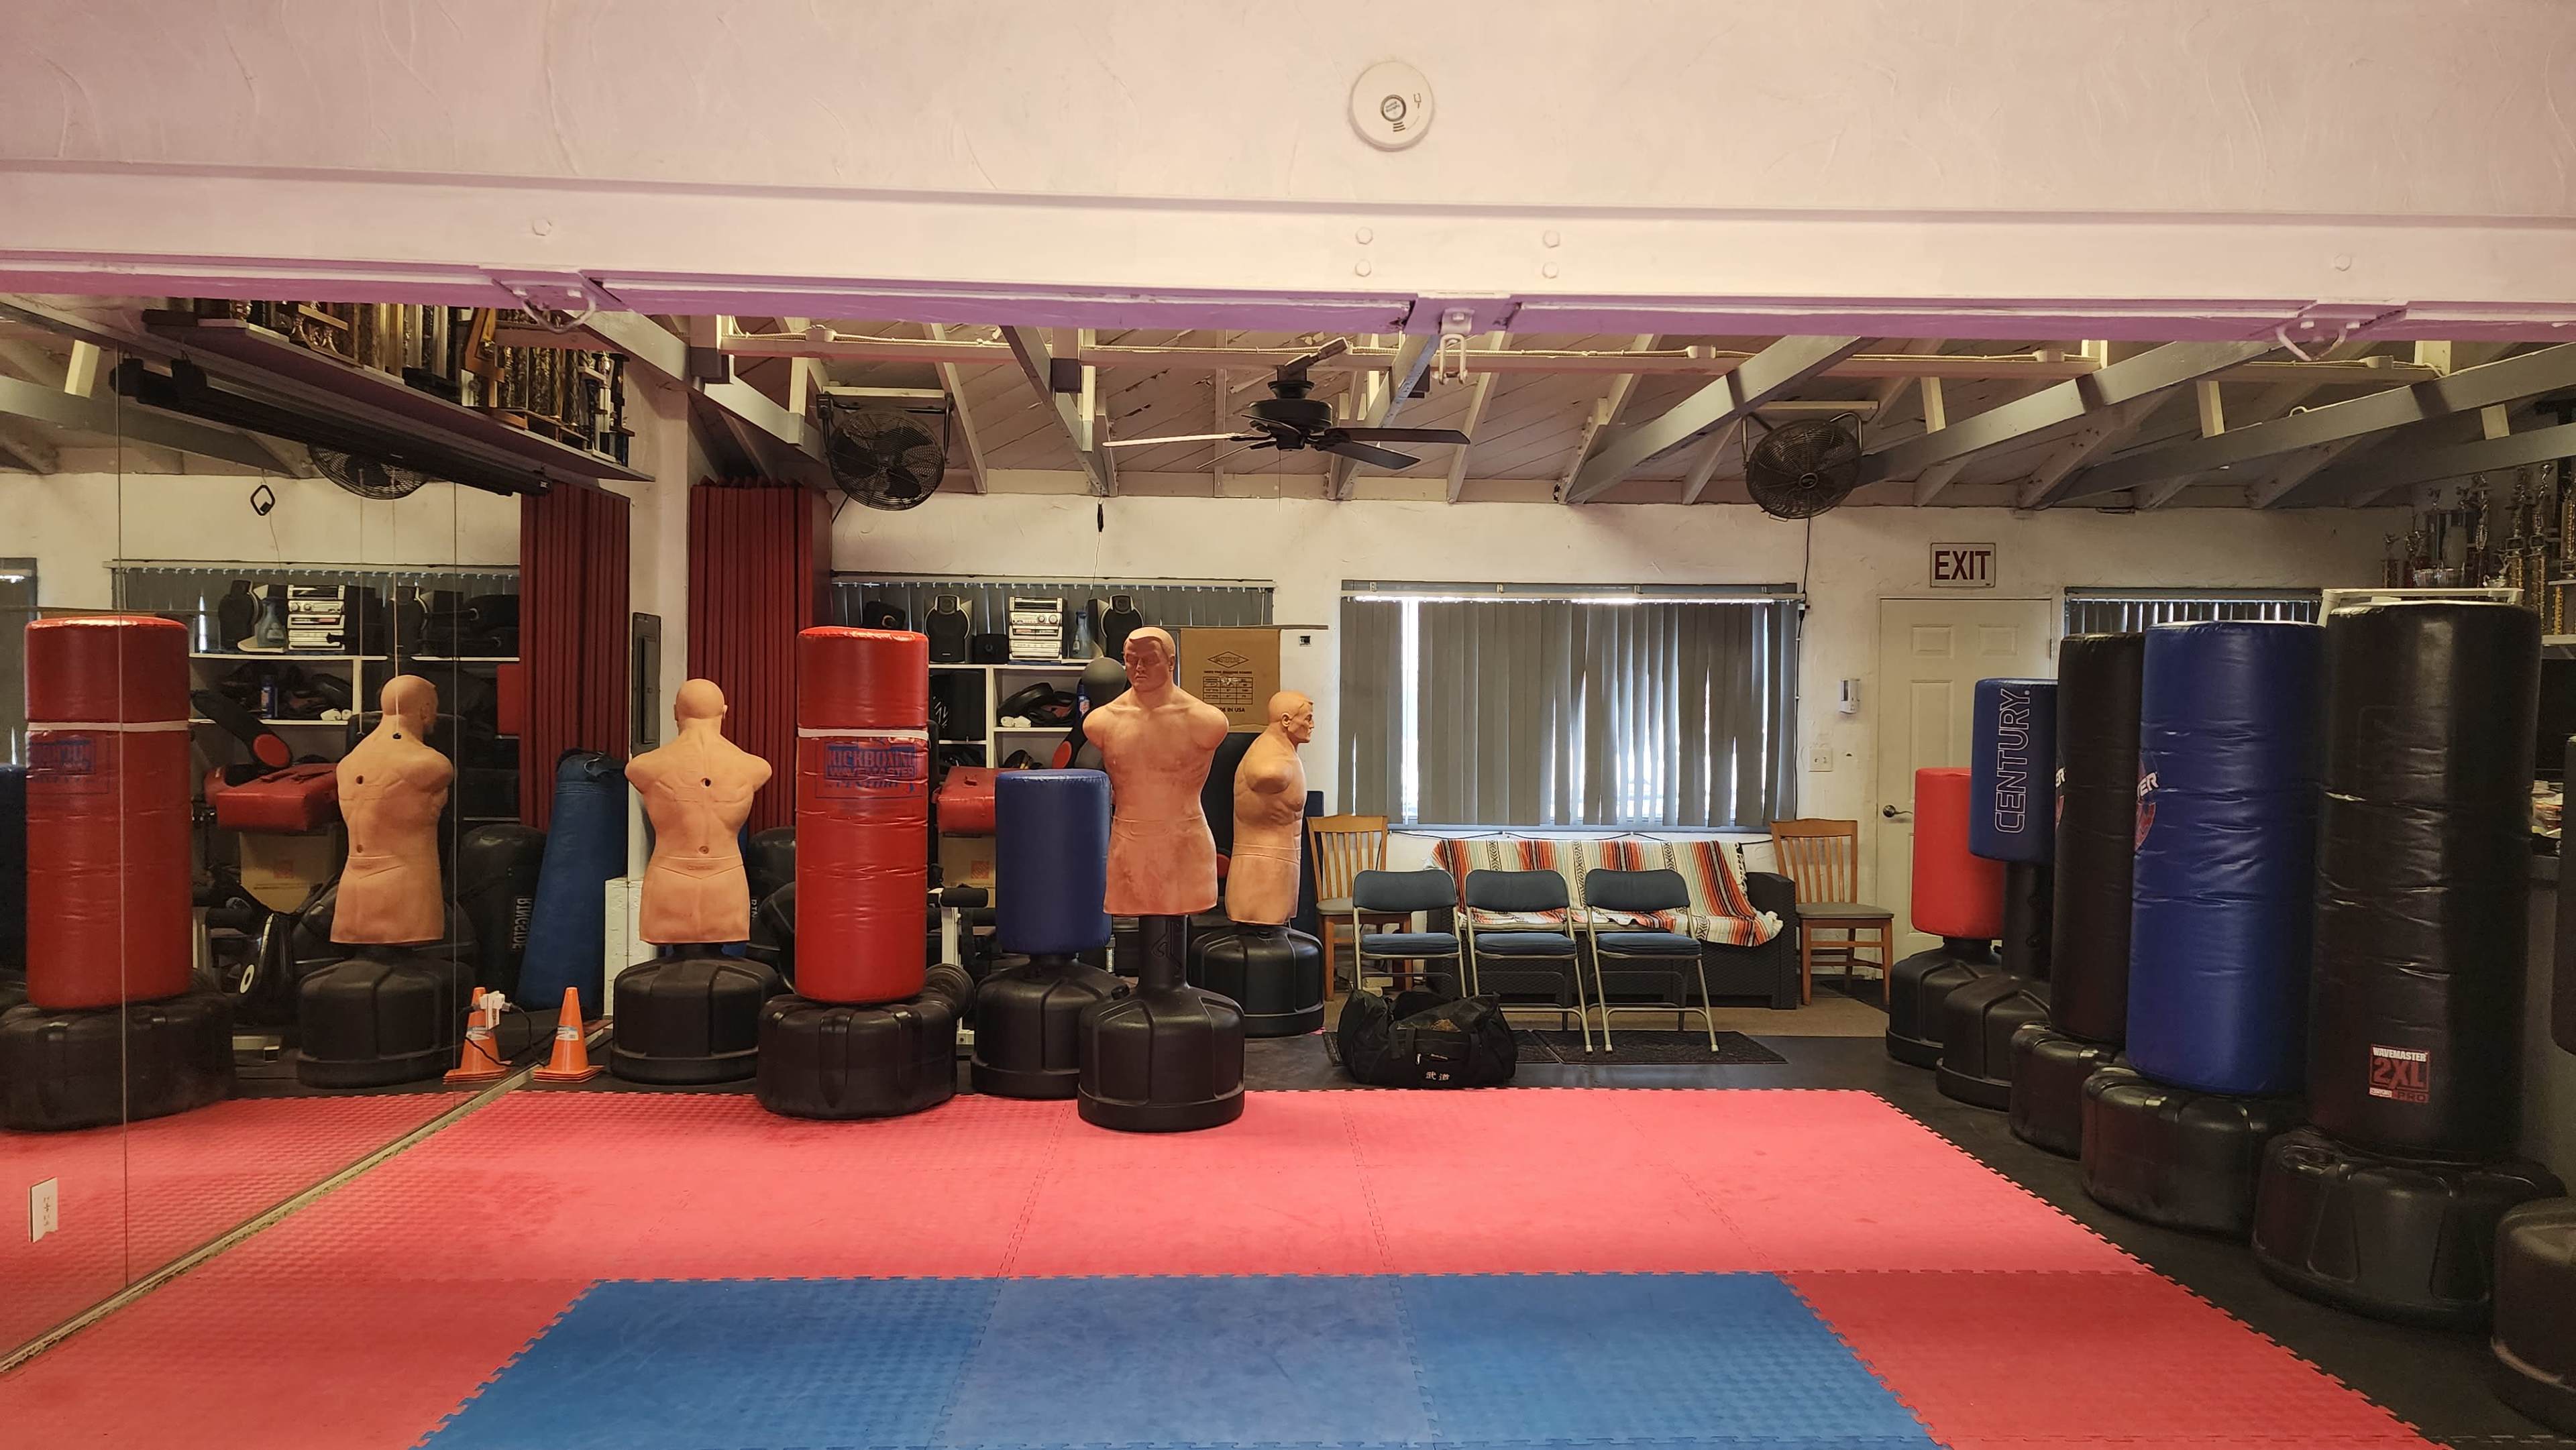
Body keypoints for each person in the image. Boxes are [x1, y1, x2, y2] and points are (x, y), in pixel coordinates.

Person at [1083, 626, 1227, 916]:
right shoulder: (1101, 722)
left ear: (1171, 663)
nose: (1138, 668)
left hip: (1185, 845)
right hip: (1129, 844)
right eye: (1130, 659)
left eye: (1149, 659)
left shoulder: (1206, 721)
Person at [627, 679, 773, 945]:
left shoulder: (644, 768)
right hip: (726, 880)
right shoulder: (755, 767)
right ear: (725, 712)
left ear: (675, 712)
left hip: (670, 879)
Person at [333, 675, 451, 946]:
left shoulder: (348, 764)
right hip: (403, 888)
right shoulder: (430, 765)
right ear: (424, 710)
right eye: (433, 708)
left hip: (353, 888)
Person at [1226, 690, 1313, 926]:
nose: (1312, 725)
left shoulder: (1282, 751)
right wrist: (1281, 772)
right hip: (1264, 866)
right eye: (1307, 719)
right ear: (1286, 721)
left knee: (1275, 940)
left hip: (1280, 864)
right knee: (1265, 943)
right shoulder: (1269, 755)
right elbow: (1263, 774)